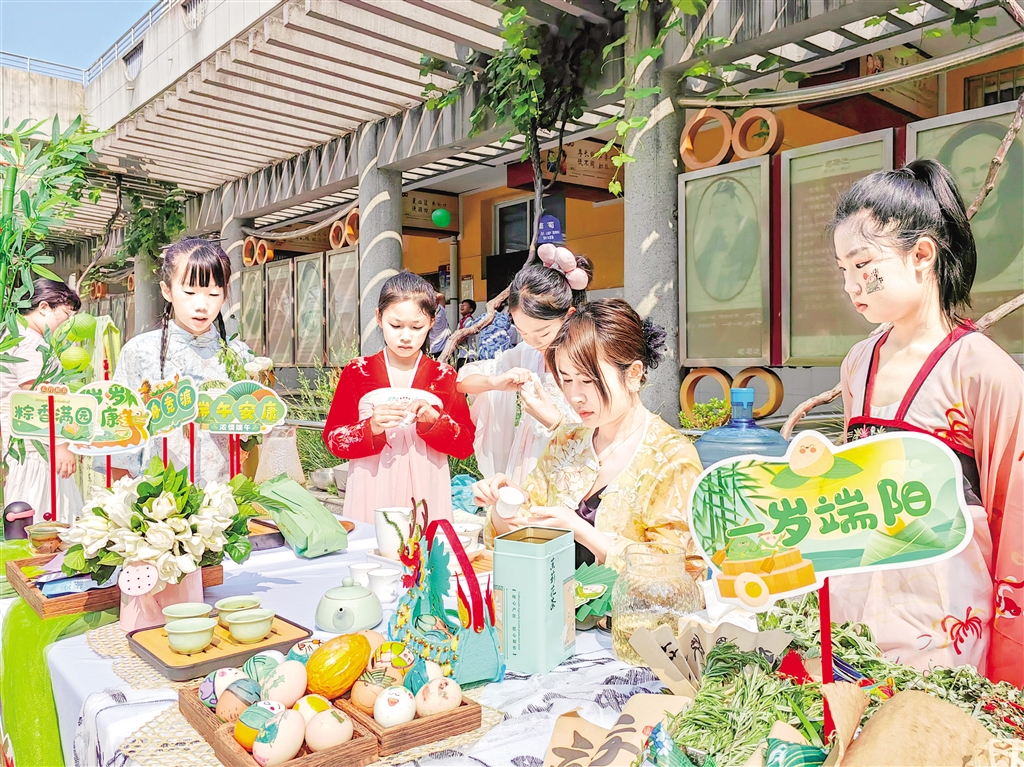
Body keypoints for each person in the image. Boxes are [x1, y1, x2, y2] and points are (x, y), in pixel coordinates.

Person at [828, 159, 1023, 687]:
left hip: (946, 628)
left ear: (921, 254)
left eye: (862, 264)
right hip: (853, 617)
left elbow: (1015, 517)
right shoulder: (858, 362)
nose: (850, 284)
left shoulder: (983, 371)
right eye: (843, 269)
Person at [472, 299, 703, 569]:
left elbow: (680, 569)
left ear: (633, 374)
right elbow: (519, 531)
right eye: (567, 380)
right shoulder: (567, 441)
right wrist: (504, 505)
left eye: (587, 380)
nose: (575, 396)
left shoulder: (671, 459)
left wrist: (581, 530)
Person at [322, 272, 475, 523]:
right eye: (396, 325)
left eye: (416, 327)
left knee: (423, 545)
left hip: (427, 492)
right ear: (379, 317)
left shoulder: (444, 375)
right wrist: (371, 426)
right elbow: (333, 439)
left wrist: (435, 420)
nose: (406, 336)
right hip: (370, 490)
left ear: (432, 321)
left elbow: (466, 445)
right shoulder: (357, 371)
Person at [109, 239, 253, 486]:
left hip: (223, 495)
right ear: (166, 290)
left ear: (225, 294)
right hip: (156, 497)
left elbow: (251, 439)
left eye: (213, 294)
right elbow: (120, 437)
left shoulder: (240, 357)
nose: (202, 305)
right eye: (189, 292)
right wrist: (125, 497)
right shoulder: (140, 352)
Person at [457, 250, 594, 486]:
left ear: (569, 316)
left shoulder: (587, 362)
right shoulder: (528, 353)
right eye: (523, 332)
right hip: (528, 462)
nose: (533, 341)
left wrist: (554, 422)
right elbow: (464, 381)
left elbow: (605, 437)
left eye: (543, 333)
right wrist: (496, 383)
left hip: (571, 469)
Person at [0, 279, 83, 524]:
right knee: (46, 522)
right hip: (36, 451)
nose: (65, 322)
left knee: (27, 520)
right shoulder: (30, 343)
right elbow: (37, 399)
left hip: (22, 448)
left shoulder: (13, 337)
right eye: (65, 314)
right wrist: (60, 445)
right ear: (44, 307)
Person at [454, 299, 479, 369]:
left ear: (470, 310)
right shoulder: (461, 321)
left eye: (465, 305)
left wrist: (455, 341)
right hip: (462, 354)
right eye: (461, 305)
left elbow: (463, 337)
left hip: (468, 355)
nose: (462, 306)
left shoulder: (469, 321)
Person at [428, 292, 451, 357]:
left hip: (433, 349)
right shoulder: (440, 313)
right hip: (442, 349)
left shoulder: (426, 316)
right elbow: (441, 296)